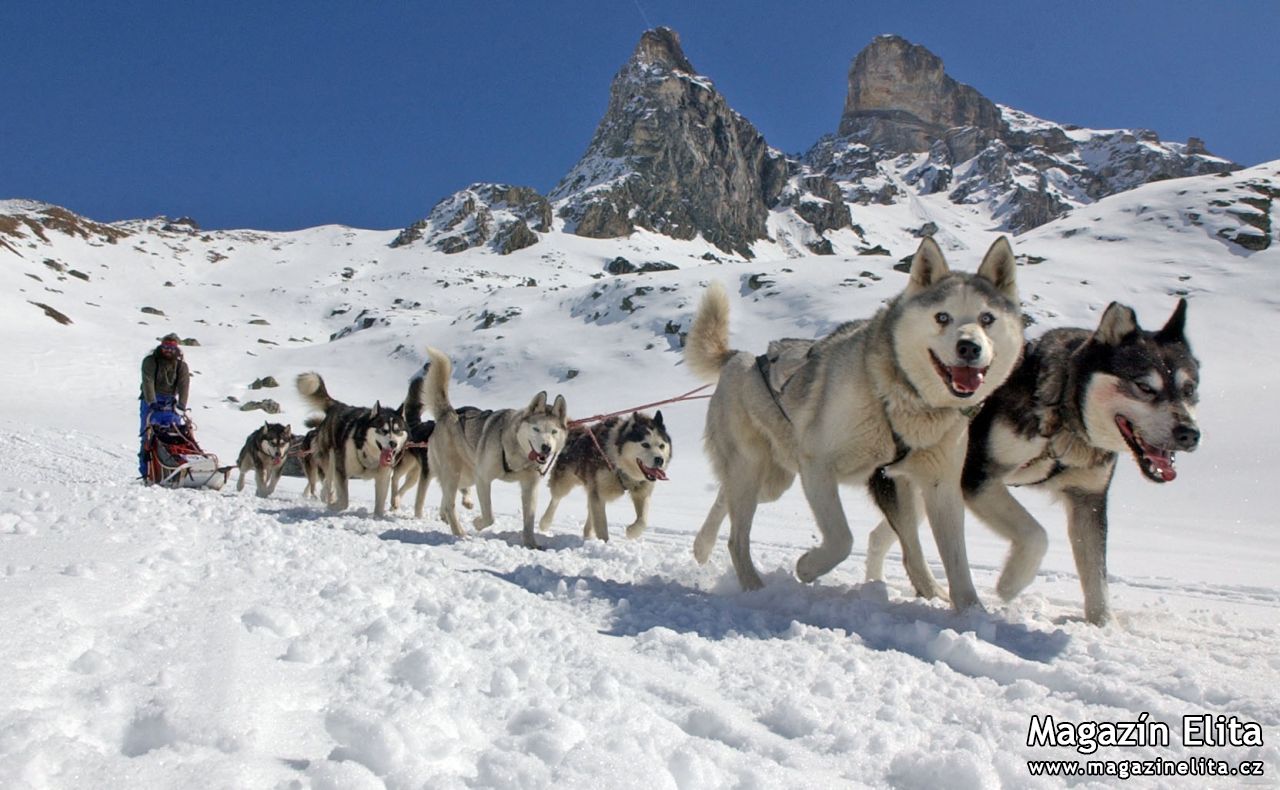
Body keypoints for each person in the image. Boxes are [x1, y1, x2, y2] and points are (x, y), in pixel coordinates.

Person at [138, 333, 191, 477]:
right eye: (165, 347)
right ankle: (147, 473)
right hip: (151, 401)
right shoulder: (150, 361)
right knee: (148, 435)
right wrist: (151, 401)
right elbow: (147, 381)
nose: (168, 350)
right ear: (161, 346)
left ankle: (176, 467)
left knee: (176, 434)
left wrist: (182, 405)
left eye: (171, 348)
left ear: (176, 349)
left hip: (170, 402)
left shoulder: (181, 366)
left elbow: (184, 386)